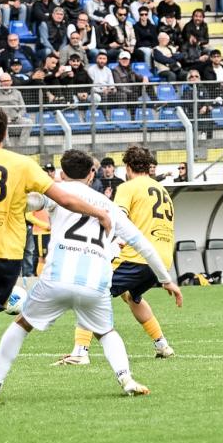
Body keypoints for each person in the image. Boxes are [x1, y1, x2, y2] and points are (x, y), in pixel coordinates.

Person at [0, 110, 117, 407]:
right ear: (5, 133)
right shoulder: (22, 164)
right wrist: (100, 212)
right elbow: (65, 198)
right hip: (8, 257)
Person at [0, 146, 181, 403]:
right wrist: (166, 280)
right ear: (91, 174)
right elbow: (143, 244)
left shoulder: (56, 192)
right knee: (107, 332)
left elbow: (27, 203)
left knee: (22, 325)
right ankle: (126, 378)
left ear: (61, 173)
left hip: (57, 279)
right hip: (95, 282)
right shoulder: (107, 205)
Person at [58, 145, 178, 366]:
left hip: (138, 256)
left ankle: (80, 351)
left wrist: (108, 244)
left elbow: (116, 218)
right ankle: (162, 345)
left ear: (128, 167)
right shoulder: (162, 190)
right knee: (132, 296)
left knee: (90, 290)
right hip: (162, 258)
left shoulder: (128, 187)